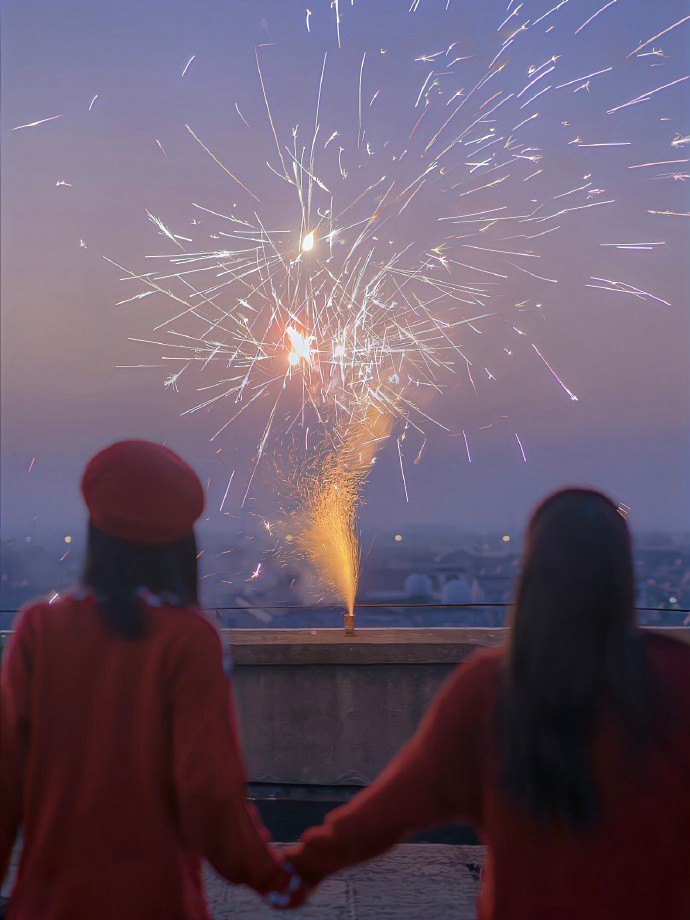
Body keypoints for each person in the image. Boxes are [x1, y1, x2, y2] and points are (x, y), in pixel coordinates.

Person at [278, 489, 690, 918]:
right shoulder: (679, 677)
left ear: (532, 572)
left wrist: (296, 871)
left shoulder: (489, 687)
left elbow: (387, 810)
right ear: (622, 571)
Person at [0, 440, 290, 919]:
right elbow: (210, 789)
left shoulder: (37, 628)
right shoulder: (190, 639)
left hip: (49, 904)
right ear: (181, 544)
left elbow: (5, 776)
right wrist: (270, 876)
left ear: (96, 531)